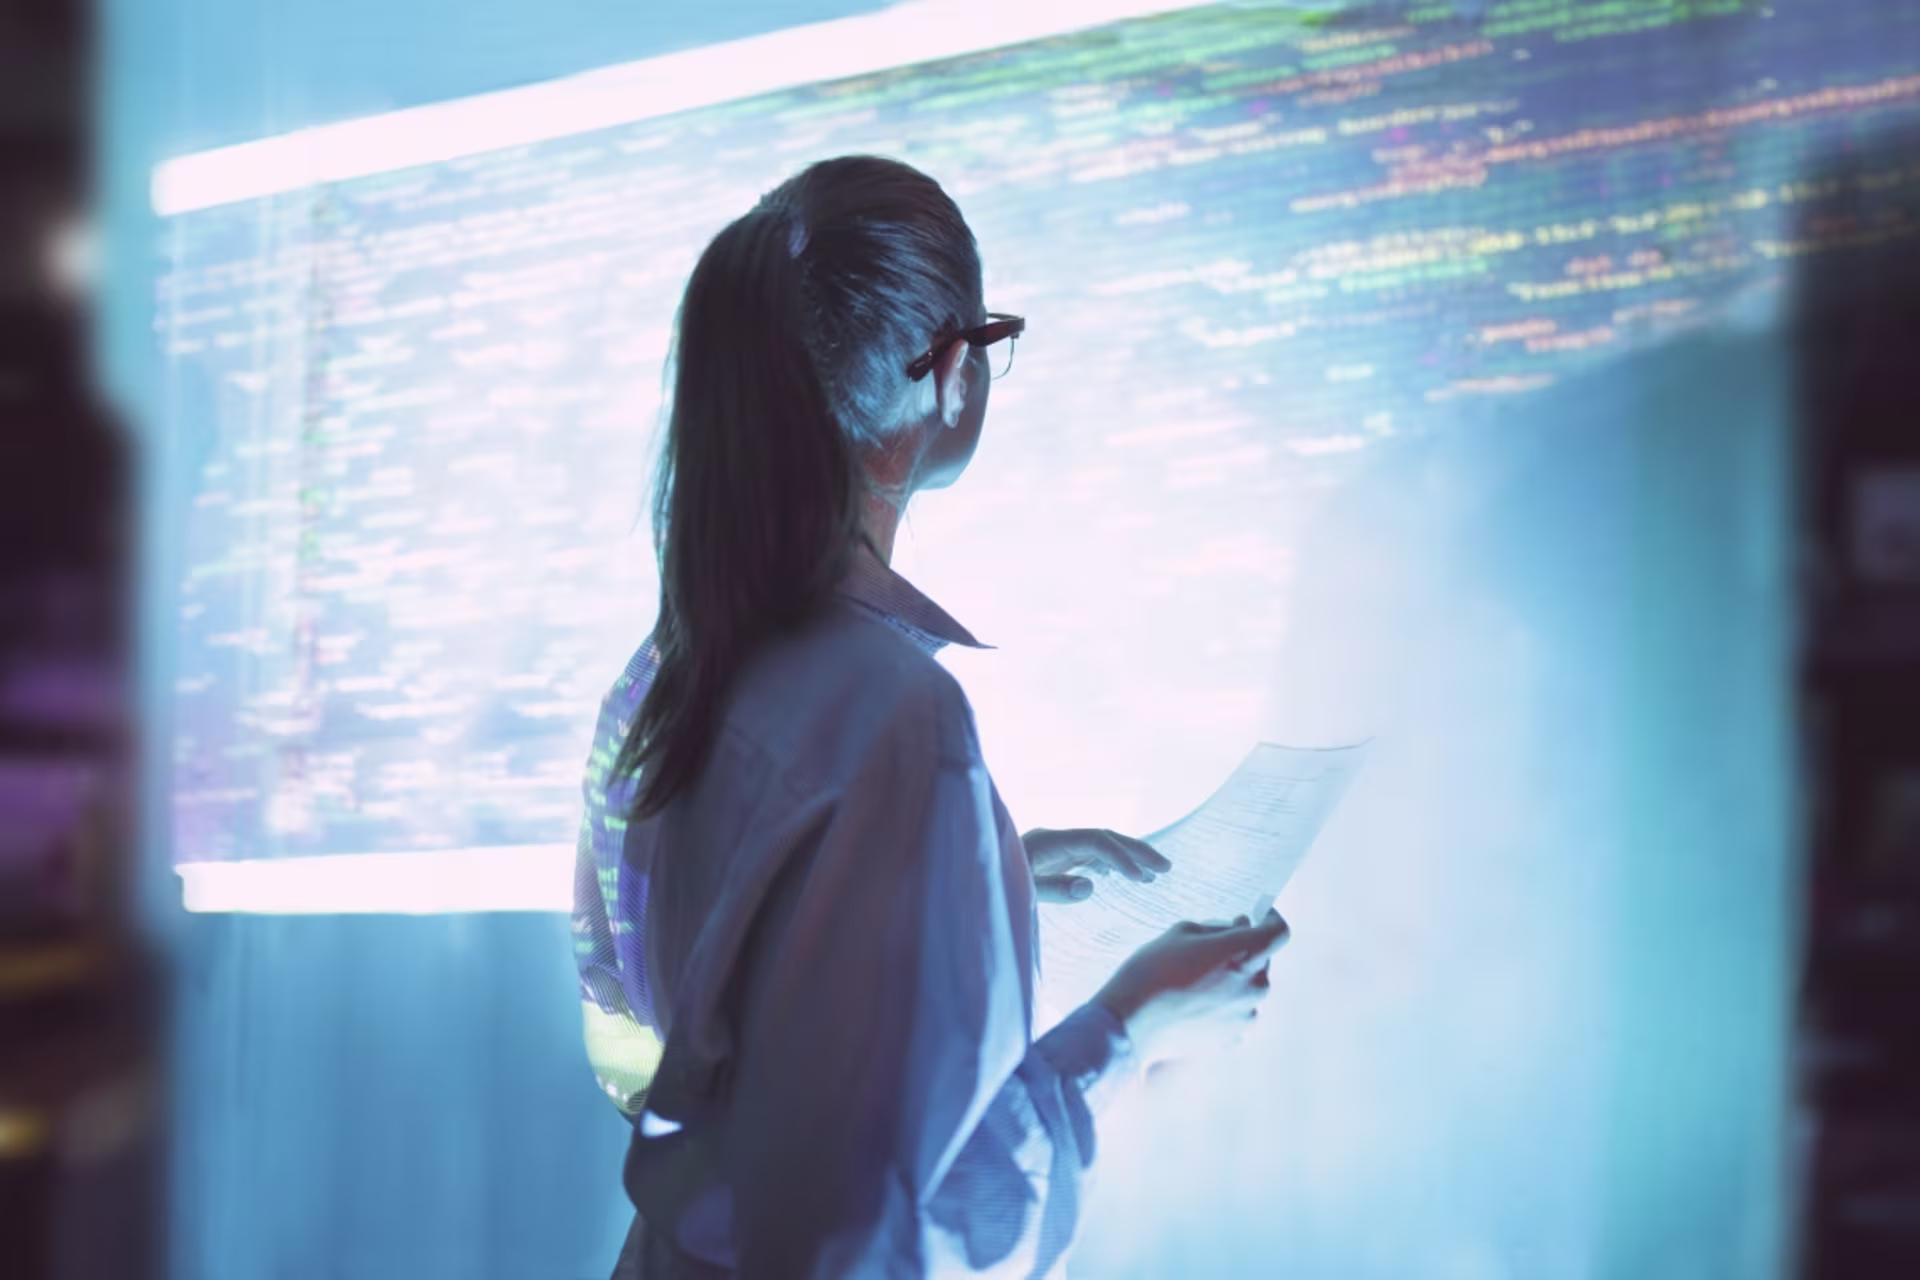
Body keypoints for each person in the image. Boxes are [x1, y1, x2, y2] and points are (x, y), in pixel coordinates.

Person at [571, 155, 1292, 1279]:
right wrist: (1130, 1029)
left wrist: (977, 877)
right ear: (954, 374)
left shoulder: (661, 680)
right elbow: (901, 1237)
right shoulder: (901, 726)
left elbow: (651, 1048)